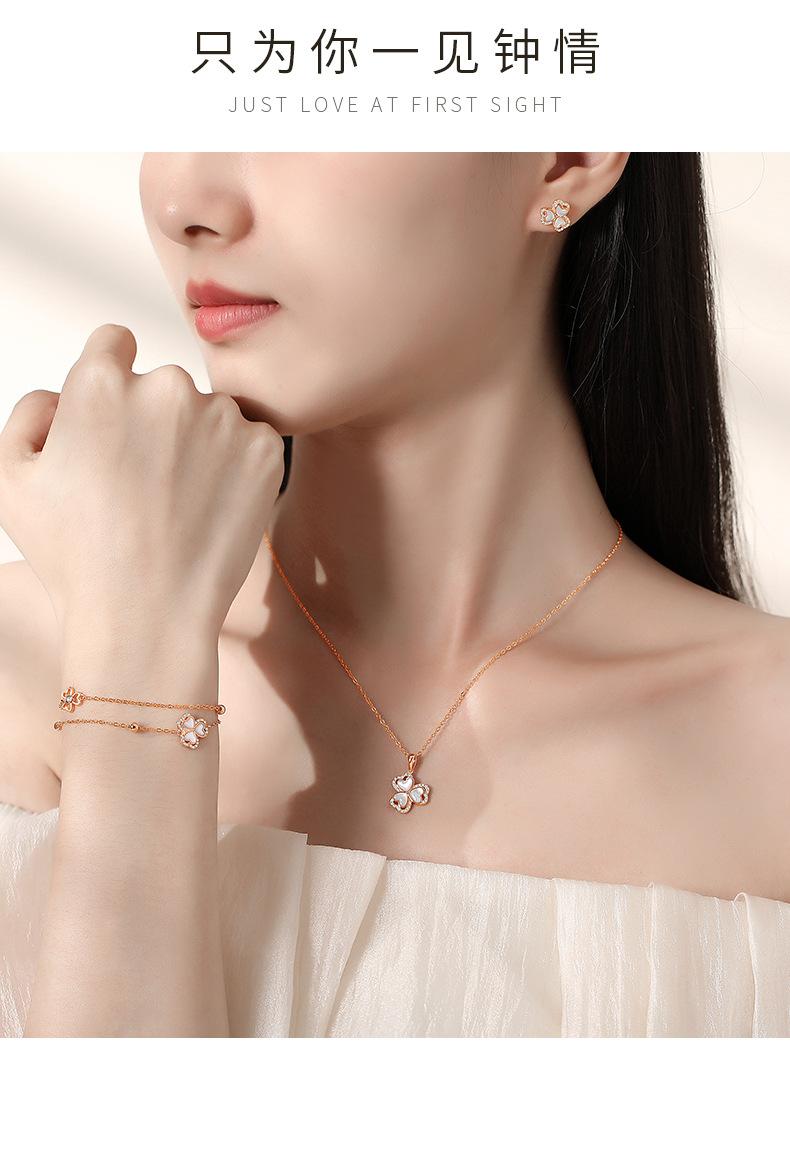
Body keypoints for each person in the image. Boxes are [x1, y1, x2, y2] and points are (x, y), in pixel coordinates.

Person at [0, 152, 788, 1038]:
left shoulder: (771, 748)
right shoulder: (20, 675)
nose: (187, 203)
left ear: (566, 156)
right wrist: (137, 657)